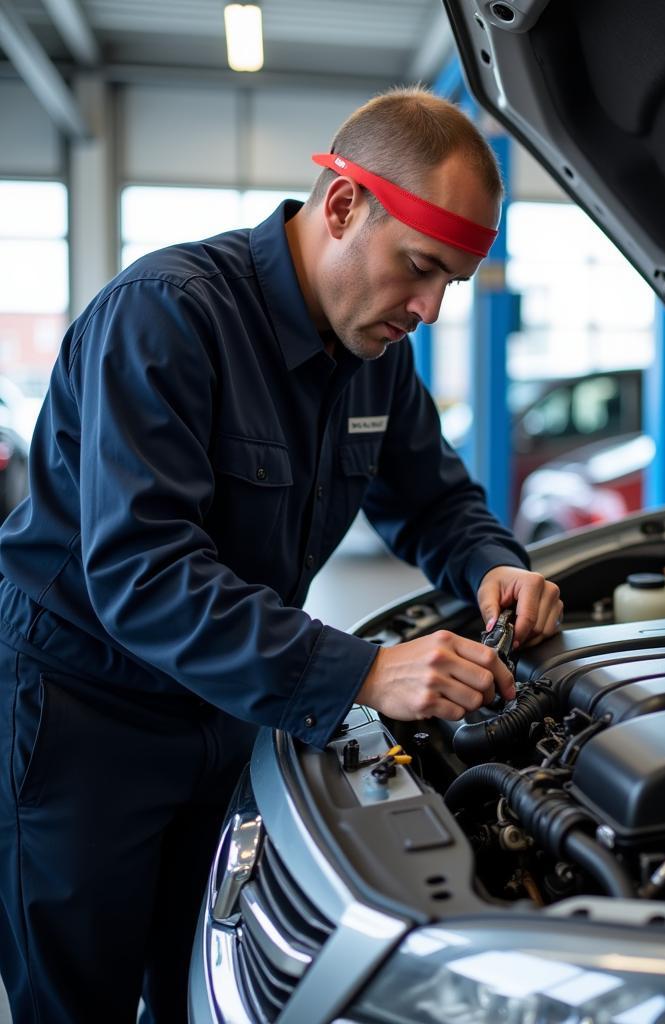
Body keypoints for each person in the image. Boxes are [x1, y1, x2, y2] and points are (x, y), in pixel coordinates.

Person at [0, 86, 562, 1023]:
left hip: (228, 709)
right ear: (343, 206)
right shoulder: (167, 316)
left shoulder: (377, 351)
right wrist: (364, 671)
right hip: (85, 718)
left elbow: (434, 499)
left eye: (448, 287)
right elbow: (144, 570)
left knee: (202, 977)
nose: (426, 308)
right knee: (79, 998)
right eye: (419, 267)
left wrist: (491, 563)